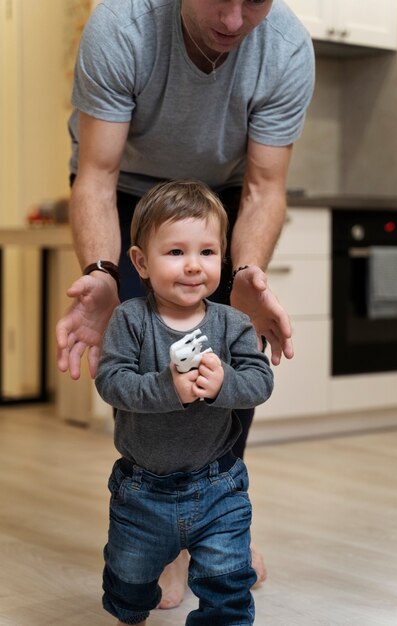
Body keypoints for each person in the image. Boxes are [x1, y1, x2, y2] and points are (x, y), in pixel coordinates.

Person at [56, 0, 315, 607]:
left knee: (229, 343)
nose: (232, 18)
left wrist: (246, 272)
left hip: (220, 199)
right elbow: (96, 172)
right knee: (149, 349)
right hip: (130, 192)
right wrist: (102, 272)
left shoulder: (285, 48)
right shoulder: (122, 25)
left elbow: (264, 185)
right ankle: (158, 527)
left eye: (253, 2)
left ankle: (216, 521)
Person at [95, 179, 274, 625]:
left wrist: (224, 384)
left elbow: (260, 382)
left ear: (224, 258)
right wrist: (167, 388)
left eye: (207, 253)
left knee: (227, 580)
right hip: (142, 490)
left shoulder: (233, 323)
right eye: (176, 253)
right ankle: (128, 608)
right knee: (129, 581)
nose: (194, 266)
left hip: (219, 483)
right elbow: (111, 382)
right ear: (141, 262)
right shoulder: (130, 319)